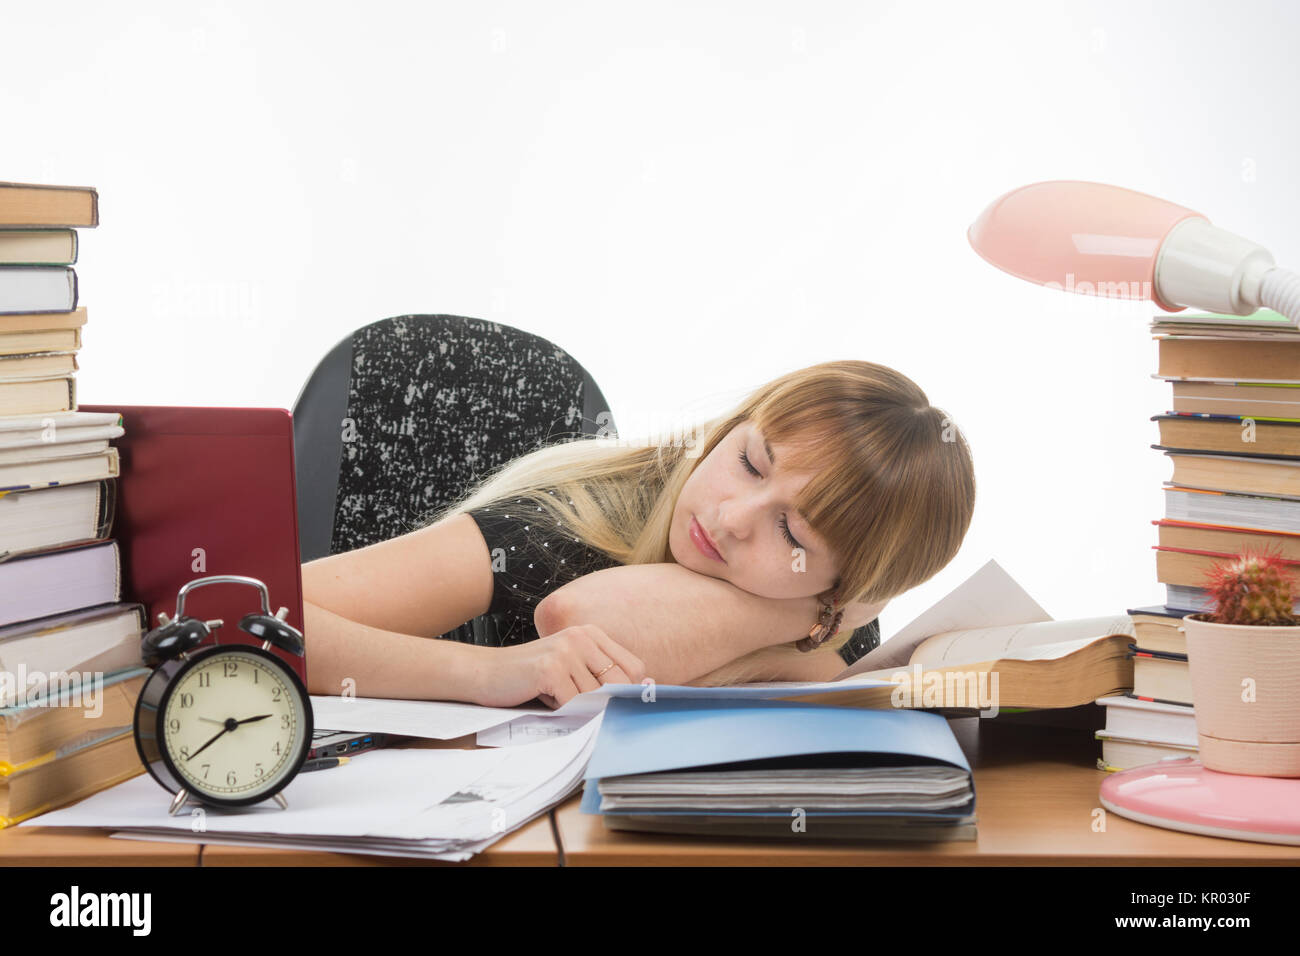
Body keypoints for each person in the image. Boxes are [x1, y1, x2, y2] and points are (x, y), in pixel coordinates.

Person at [302, 359, 975, 709]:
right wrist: (488, 672)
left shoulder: (828, 617)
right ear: (726, 428)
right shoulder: (550, 525)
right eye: (748, 462)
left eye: (792, 535)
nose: (730, 518)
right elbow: (244, 612)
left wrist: (811, 614)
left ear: (847, 588)